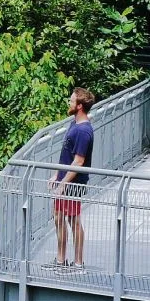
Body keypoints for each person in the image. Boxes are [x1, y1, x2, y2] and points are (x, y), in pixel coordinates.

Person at [50, 87, 96, 269]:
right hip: (65, 180)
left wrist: (63, 183)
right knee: (59, 217)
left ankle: (77, 262)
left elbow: (78, 162)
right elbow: (67, 154)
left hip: (73, 183)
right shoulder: (74, 123)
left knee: (73, 220)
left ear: (79, 106)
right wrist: (57, 174)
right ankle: (61, 260)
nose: (69, 103)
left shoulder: (84, 131)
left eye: (71, 101)